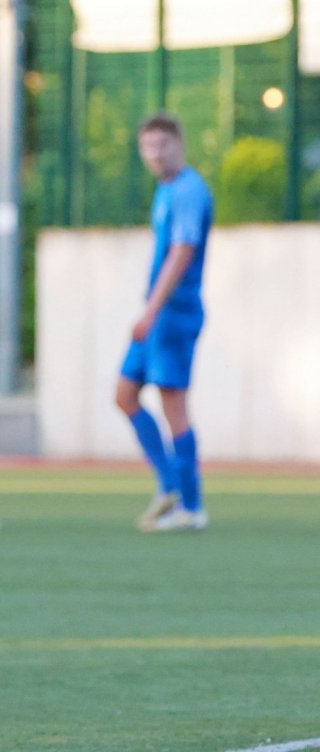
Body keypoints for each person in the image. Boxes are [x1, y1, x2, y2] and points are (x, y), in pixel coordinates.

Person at [114, 112, 212, 532]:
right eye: (148, 146)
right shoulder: (166, 190)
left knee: (174, 406)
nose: (155, 153)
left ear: (179, 145)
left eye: (163, 145)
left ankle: (190, 505)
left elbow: (182, 251)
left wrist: (151, 309)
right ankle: (170, 483)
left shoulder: (190, 191)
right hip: (157, 313)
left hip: (173, 313)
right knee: (124, 394)